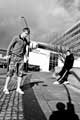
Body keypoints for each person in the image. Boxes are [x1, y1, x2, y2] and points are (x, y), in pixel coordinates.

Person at [3, 27, 38, 94]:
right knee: (10, 72)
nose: (26, 35)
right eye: (26, 33)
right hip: (14, 57)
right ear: (23, 32)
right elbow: (10, 46)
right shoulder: (16, 38)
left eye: (27, 34)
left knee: (20, 74)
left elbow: (25, 49)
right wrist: (7, 54)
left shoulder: (25, 41)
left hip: (21, 59)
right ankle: (5, 88)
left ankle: (18, 88)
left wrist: (26, 56)